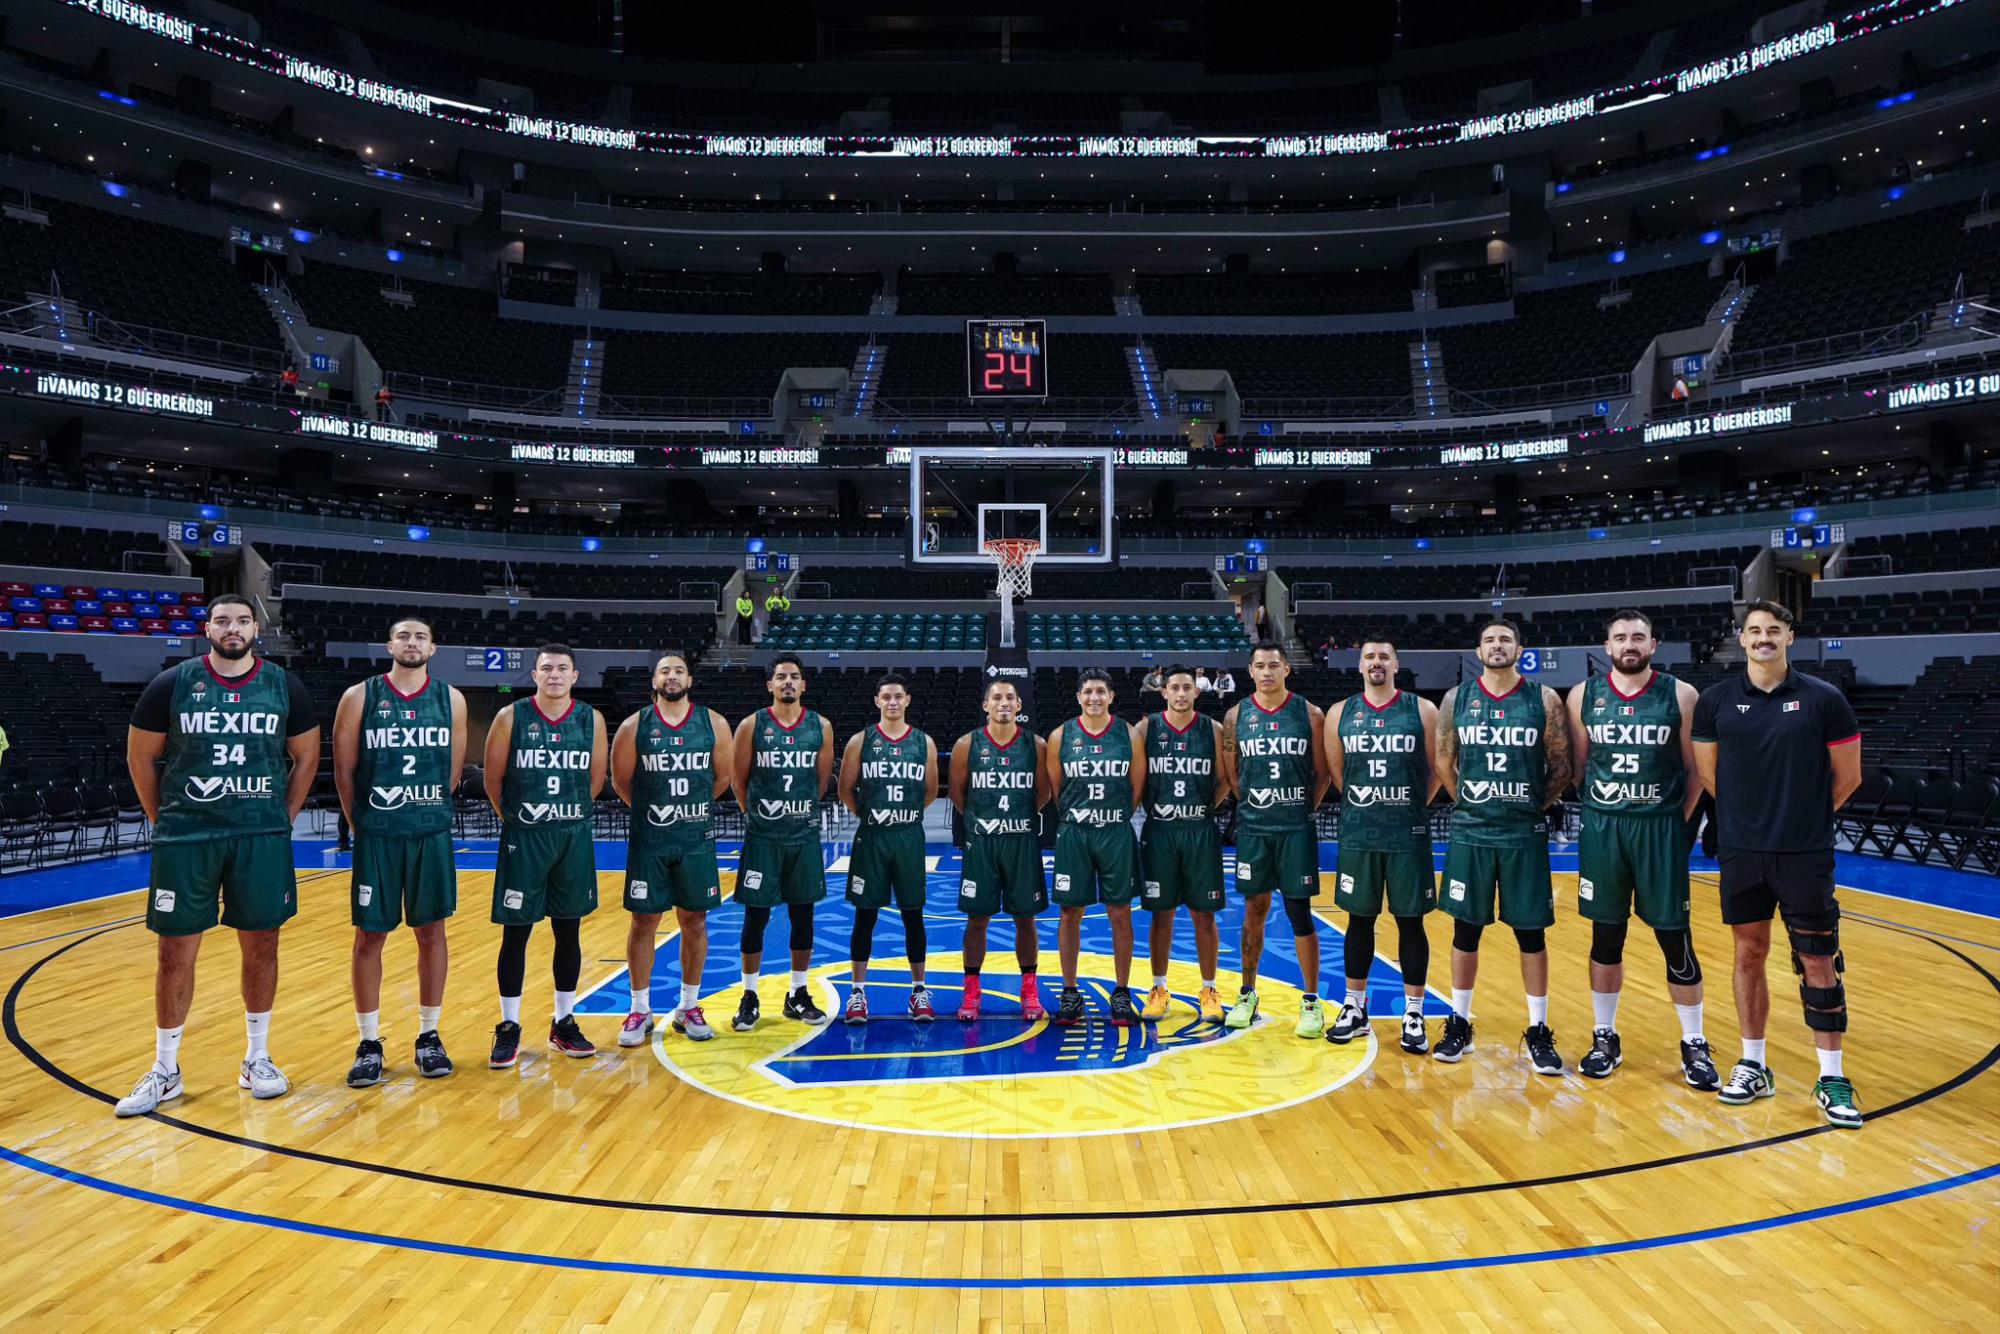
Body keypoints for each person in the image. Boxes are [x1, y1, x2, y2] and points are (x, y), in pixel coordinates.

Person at [115, 595, 321, 1116]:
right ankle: (166, 1069)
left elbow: (307, 755)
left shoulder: (283, 686)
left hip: (259, 838)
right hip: (188, 838)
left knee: (263, 948)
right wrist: (164, 819)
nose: (233, 628)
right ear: (207, 628)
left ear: (257, 628)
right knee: (174, 954)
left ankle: (257, 1057)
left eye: (243, 620)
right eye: (223, 620)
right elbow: (141, 756)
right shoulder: (173, 683)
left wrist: (283, 816)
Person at [1693, 601, 1864, 1128]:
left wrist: (1799, 821)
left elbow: (1848, 778)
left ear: (1790, 636)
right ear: (1741, 640)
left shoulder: (1825, 700)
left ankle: (1832, 1075)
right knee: (1749, 953)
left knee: (1817, 958)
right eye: (1754, 631)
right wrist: (1751, 823)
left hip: (1804, 853)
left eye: (1773, 630)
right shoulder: (1715, 701)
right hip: (1742, 853)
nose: (1763, 638)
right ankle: (1753, 1063)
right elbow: (1708, 775)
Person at [1566, 610, 1717, 1089]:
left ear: (1654, 645)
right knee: (1606, 939)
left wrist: (1675, 821)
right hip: (1605, 828)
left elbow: (1696, 772)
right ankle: (1604, 1036)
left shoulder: (1681, 693)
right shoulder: (1583, 695)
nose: (1629, 644)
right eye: (1620, 637)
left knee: (1676, 939)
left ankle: (1694, 1042)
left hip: (1660, 830)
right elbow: (1578, 767)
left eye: (1638, 637)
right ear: (1607, 646)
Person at [330, 616, 466, 1087]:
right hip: (378, 835)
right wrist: (359, 822)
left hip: (429, 833)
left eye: (421, 636)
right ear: (390, 644)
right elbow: (344, 770)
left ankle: (429, 1035)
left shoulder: (452, 699)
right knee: (370, 937)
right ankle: (369, 1041)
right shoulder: (360, 696)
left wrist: (422, 809)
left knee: (432, 933)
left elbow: (451, 773)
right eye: (404, 636)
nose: (412, 643)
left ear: (434, 647)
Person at [1433, 618, 1572, 1073]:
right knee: (1465, 931)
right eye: (1490, 640)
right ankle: (1459, 1023)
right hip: (1472, 831)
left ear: (1520, 649)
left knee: (1530, 934)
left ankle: (1537, 1029)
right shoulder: (1458, 699)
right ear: (1479, 651)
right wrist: (1473, 804)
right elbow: (1444, 761)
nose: (1497, 646)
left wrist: (1531, 806)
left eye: (1505, 640)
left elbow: (1560, 767)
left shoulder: (1544, 699)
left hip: (1522, 835)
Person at [483, 644, 608, 1068]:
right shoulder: (511, 717)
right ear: (534, 674)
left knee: (568, 932)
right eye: (546, 668)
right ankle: (509, 1026)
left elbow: (594, 780)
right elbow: (494, 782)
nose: (554, 674)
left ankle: (564, 1021)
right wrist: (523, 821)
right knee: (516, 934)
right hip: (526, 838)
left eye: (562, 669)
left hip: (571, 837)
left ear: (575, 676)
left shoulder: (591, 719)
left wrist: (561, 817)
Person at [610, 650, 731, 1047]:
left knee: (695, 921)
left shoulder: (713, 723)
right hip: (651, 841)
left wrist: (686, 813)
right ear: (655, 681)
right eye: (665, 671)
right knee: (643, 921)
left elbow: (722, 778)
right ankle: (639, 1009)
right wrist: (656, 814)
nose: (672, 676)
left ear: (690, 680)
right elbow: (622, 782)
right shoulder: (634, 726)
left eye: (679, 670)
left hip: (695, 839)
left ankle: (688, 1007)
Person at [1324, 638, 1440, 1054]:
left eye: (1383, 657)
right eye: (1369, 657)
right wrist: (1368, 806)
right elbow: (1338, 773)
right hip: (1359, 833)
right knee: (1359, 920)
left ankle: (1413, 1010)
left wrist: (1406, 806)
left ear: (1396, 663)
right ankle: (1355, 1007)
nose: (1377, 663)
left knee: (1411, 922)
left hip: (1407, 834)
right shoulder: (1340, 713)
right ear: (1359, 666)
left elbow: (1437, 771)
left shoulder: (1423, 710)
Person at [1220, 641, 1332, 1038]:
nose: (1266, 672)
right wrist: (1254, 805)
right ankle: (1247, 992)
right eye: (1259, 666)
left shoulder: (1310, 714)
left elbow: (1322, 774)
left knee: (1300, 912)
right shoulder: (1236, 716)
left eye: (1273, 665)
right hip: (1255, 828)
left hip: (1295, 827)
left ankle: (1311, 1001)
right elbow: (1233, 775)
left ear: (1287, 669)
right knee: (1253, 910)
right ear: (1250, 671)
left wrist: (1302, 808)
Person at [729, 654, 834, 1031]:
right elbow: (739, 781)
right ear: (769, 685)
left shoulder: (820, 726)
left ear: (803, 685)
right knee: (755, 917)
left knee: (802, 916)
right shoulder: (751, 725)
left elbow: (821, 783)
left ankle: (797, 993)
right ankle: (750, 995)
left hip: (803, 837)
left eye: (794, 677)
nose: (788, 682)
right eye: (780, 677)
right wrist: (761, 816)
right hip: (763, 838)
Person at [1045, 667, 1145, 1026]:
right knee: (1070, 913)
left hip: (1115, 831)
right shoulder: (1061, 736)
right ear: (1078, 697)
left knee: (1120, 911)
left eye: (1101, 691)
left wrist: (1111, 817)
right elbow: (1057, 790)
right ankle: (1070, 992)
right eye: (1088, 691)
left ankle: (1121, 992)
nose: (1094, 697)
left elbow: (1137, 788)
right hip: (1075, 832)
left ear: (1111, 696)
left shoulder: (1128, 734)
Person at [838, 673, 939, 1024]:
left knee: (914, 915)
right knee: (865, 916)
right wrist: (872, 816)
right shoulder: (860, 741)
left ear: (907, 701)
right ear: (877, 701)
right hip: (873, 838)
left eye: (898, 696)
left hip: (908, 836)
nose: (893, 702)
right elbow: (846, 789)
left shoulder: (923, 742)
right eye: (886, 697)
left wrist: (902, 817)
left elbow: (929, 790)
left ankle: (919, 990)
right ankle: (857, 992)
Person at [952, 678, 1050, 1022]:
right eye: (996, 697)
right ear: (986, 705)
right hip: (982, 843)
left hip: (1021, 842)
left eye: (1010, 697)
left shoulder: (1036, 745)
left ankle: (1029, 989)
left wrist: (1014, 822)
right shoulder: (968, 743)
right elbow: (958, 793)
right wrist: (985, 821)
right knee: (977, 919)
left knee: (1026, 918)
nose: (1004, 702)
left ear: (1019, 706)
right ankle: (971, 990)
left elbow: (1043, 794)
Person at [1136, 664, 1226, 1023]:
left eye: (1187, 687)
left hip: (1199, 829)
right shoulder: (1146, 728)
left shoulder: (1214, 730)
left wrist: (1200, 810)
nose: (1181, 693)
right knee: (1162, 914)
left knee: (1204, 915)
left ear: (1196, 691)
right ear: (1164, 692)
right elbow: (1138, 781)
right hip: (1159, 830)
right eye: (1174, 687)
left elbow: (1222, 782)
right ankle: (1159, 987)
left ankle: (1209, 989)